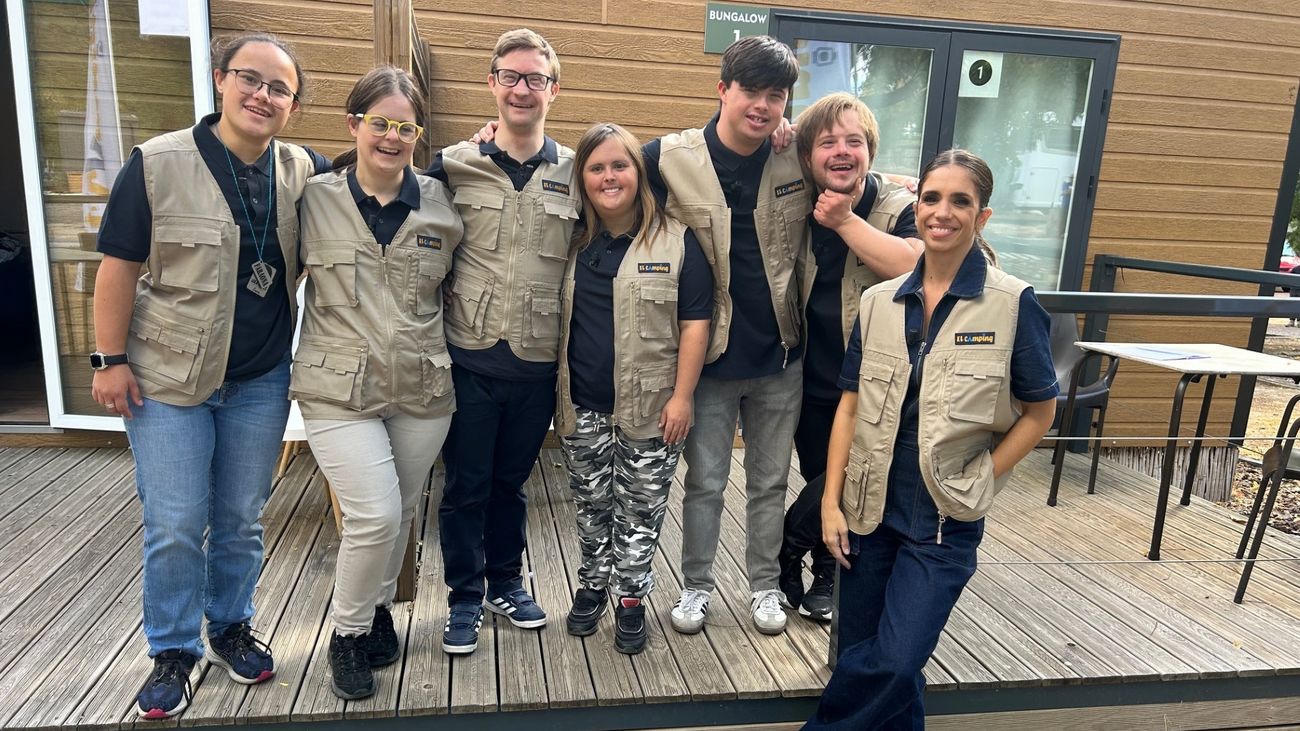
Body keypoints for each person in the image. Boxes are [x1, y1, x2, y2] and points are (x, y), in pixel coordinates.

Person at [91, 33, 330, 719]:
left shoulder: (304, 170)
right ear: (221, 79)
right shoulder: (157, 163)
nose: (263, 95)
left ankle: (230, 626)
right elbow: (118, 266)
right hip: (166, 379)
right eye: (250, 78)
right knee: (175, 520)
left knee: (240, 517)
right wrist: (109, 360)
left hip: (259, 379)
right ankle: (172, 649)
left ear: (293, 105)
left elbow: (376, 173)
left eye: (280, 88)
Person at [802, 150, 1057, 730]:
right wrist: (830, 502)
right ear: (917, 208)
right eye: (932, 198)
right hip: (867, 508)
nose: (943, 212)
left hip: (944, 515)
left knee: (894, 662)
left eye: (960, 201)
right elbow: (850, 405)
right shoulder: (878, 301)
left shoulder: (1013, 304)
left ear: (982, 216)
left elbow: (1040, 411)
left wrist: (985, 476)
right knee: (866, 660)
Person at [292, 66, 461, 700]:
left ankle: (379, 608)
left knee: (402, 511)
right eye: (380, 123)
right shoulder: (311, 199)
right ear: (353, 124)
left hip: (422, 387)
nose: (392, 137)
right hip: (337, 388)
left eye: (405, 127)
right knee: (375, 513)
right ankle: (347, 632)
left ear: (419, 134)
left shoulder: (443, 203)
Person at [641, 35, 807, 636]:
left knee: (770, 481)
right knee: (705, 482)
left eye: (776, 95)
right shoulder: (665, 158)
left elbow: (856, 167)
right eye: (750, 91)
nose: (762, 106)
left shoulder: (796, 157)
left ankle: (765, 586)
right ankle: (696, 585)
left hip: (780, 357)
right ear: (722, 90)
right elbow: (599, 179)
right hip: (707, 361)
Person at [424, 28, 579, 655]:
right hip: (468, 355)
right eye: (511, 77)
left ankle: (506, 583)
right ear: (492, 84)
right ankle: (464, 596)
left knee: (511, 485)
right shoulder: (454, 165)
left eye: (535, 79)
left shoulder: (577, 172)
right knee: (466, 485)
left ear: (553, 90)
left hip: (538, 362)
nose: (522, 89)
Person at [555, 123, 712, 654]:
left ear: (638, 173)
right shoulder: (571, 240)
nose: (609, 177)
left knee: (640, 512)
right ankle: (592, 585)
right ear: (582, 178)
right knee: (591, 505)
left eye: (619, 165)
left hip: (651, 407)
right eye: (596, 167)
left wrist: (682, 397)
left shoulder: (676, 241)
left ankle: (630, 598)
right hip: (581, 406)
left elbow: (695, 323)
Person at [779, 93, 923, 622]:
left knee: (853, 479)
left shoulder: (898, 207)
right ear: (808, 157)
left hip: (878, 386)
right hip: (811, 377)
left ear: (870, 152)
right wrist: (776, 134)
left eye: (854, 141)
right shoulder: (799, 198)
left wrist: (844, 221)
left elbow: (914, 264)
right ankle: (828, 566)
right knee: (824, 474)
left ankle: (798, 549)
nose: (841, 151)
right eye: (827, 142)